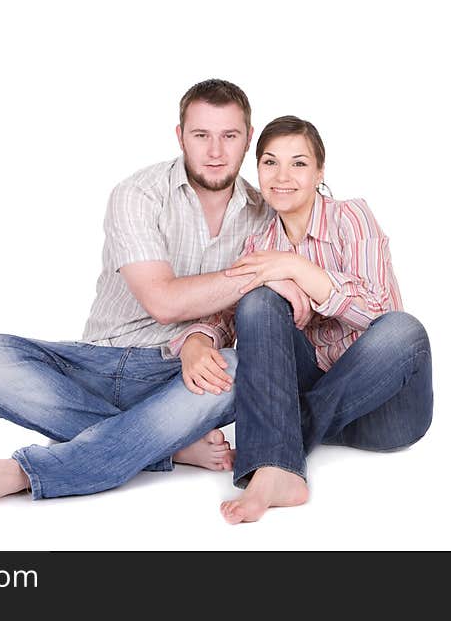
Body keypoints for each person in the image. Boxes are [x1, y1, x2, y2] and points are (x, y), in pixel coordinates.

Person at [0, 80, 315, 505]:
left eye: (229, 136)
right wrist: (265, 273)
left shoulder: (262, 215)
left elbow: (248, 317)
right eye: (201, 136)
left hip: (181, 373)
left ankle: (27, 472)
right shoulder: (138, 194)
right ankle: (165, 445)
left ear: (247, 140)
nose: (215, 152)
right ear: (180, 136)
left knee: (241, 370)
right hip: (96, 362)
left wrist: (198, 341)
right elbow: (163, 302)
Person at [174, 115, 434, 523]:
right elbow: (224, 317)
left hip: (386, 410)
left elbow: (378, 311)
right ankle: (279, 470)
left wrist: (296, 267)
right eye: (269, 163)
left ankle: (276, 446)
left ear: (319, 172)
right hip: (311, 386)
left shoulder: (353, 217)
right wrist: (196, 340)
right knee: (258, 299)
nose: (282, 176)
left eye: (298, 163)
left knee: (405, 331)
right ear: (257, 169)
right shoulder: (258, 244)